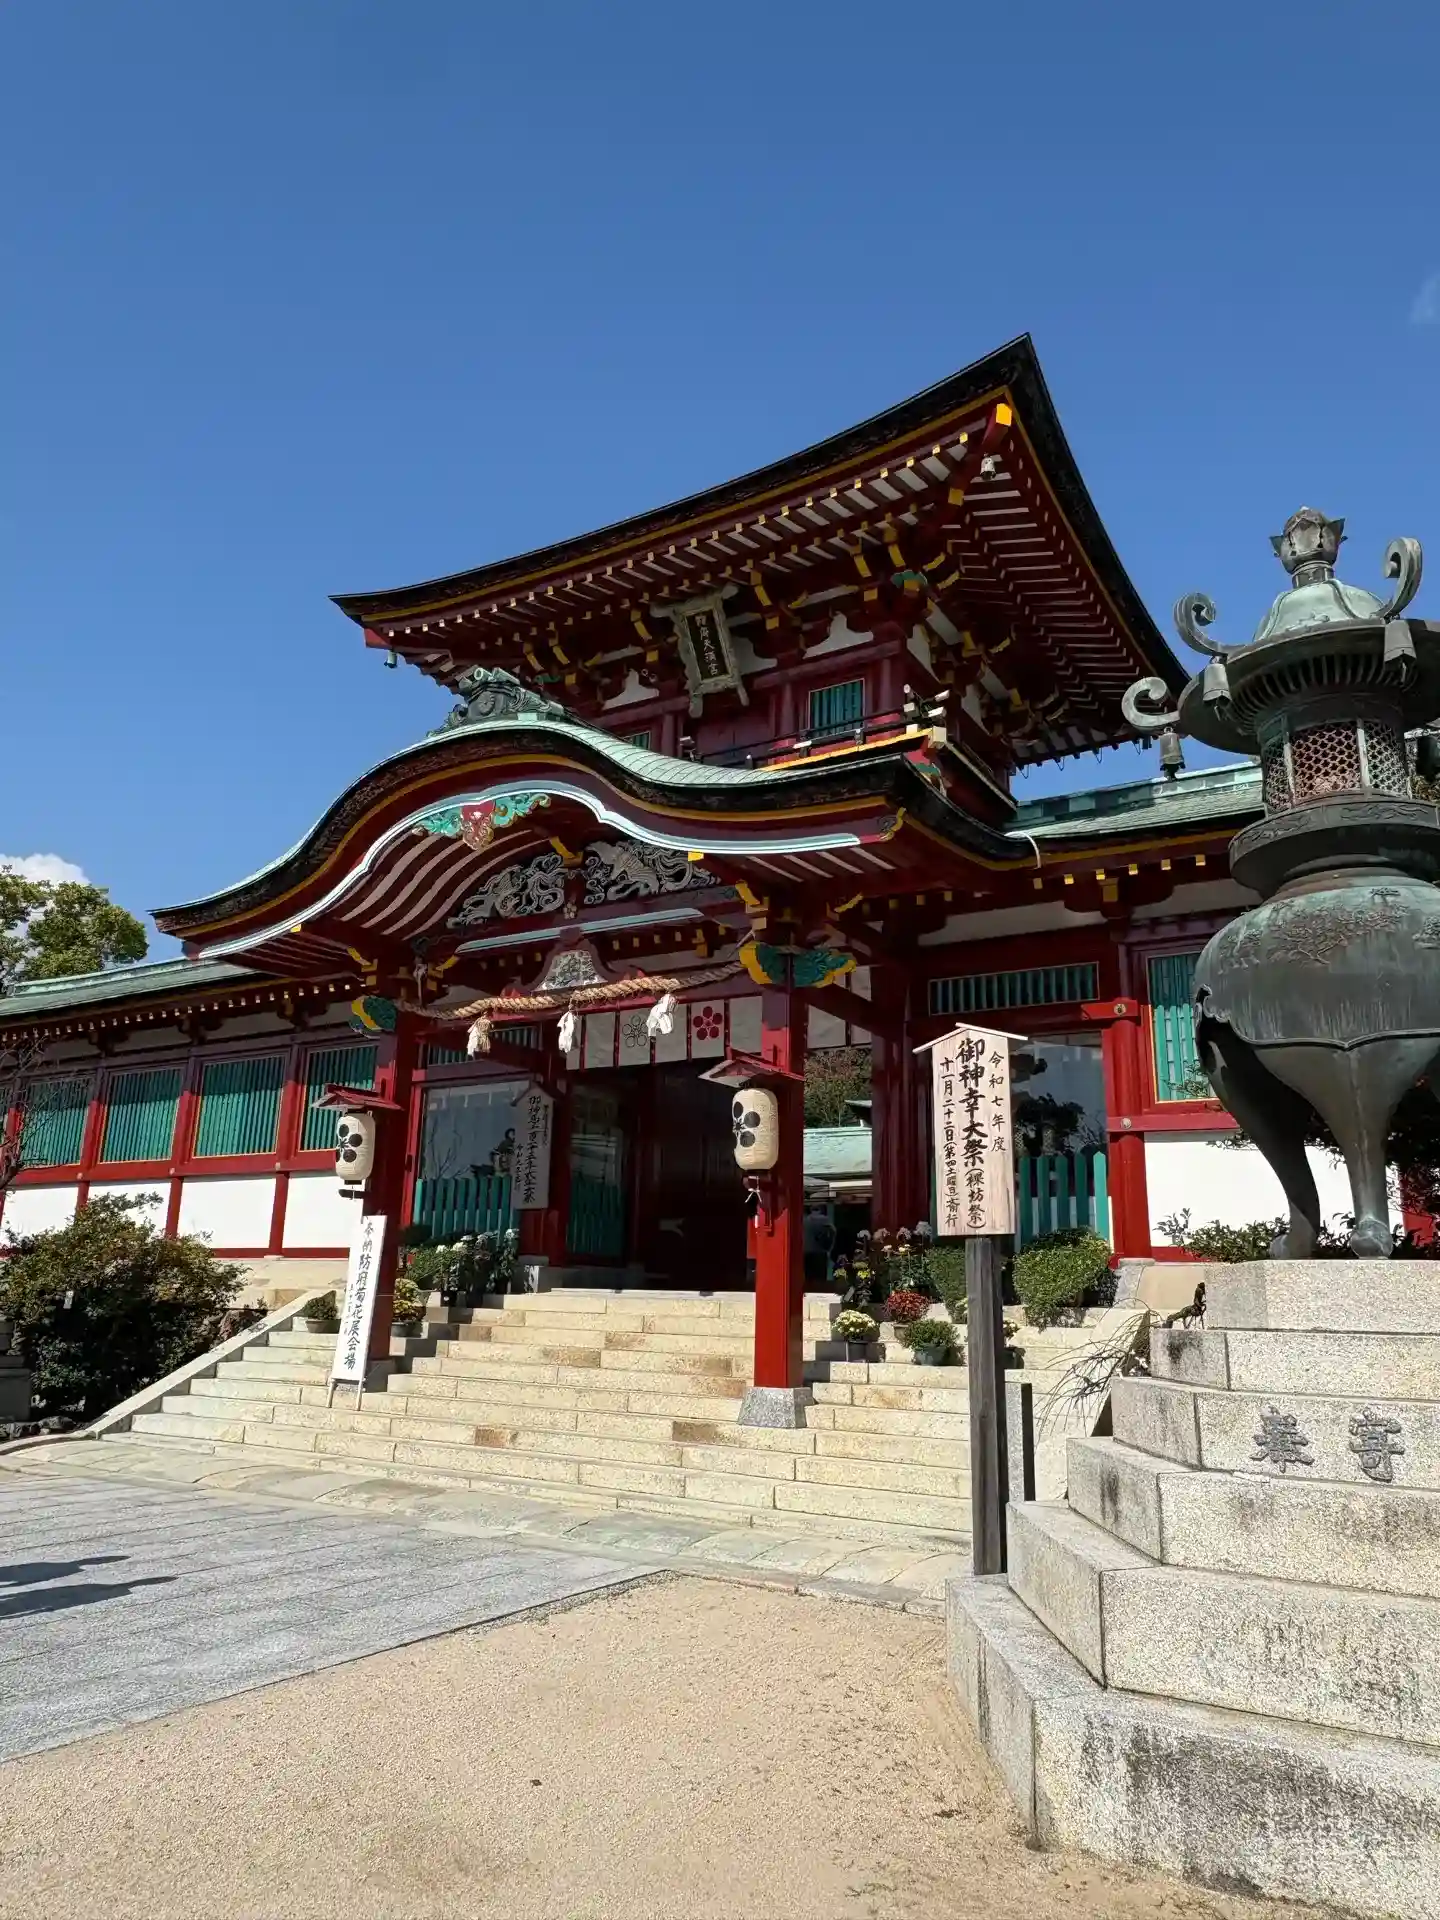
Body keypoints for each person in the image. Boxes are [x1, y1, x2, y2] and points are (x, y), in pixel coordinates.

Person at [802, 1203, 836, 1286]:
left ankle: (809, 1288)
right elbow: (833, 1231)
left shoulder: (805, 1220)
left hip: (807, 1251)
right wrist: (829, 1246)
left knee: (809, 1276)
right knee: (820, 1278)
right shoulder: (825, 1219)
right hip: (820, 1252)